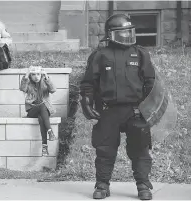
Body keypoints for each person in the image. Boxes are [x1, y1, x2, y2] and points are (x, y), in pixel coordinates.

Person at [80, 14, 155, 200]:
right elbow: (88, 83)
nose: (128, 35)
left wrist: (150, 108)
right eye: (123, 32)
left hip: (135, 111)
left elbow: (150, 82)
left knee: (140, 149)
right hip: (109, 110)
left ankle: (143, 185)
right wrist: (86, 100)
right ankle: (102, 185)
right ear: (111, 34)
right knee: (105, 149)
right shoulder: (99, 55)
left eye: (130, 31)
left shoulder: (140, 53)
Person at [20, 66, 57, 156]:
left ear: (41, 75)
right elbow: (23, 89)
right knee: (42, 106)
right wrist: (27, 75)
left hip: (44, 110)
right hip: (33, 110)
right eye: (33, 75)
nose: (36, 76)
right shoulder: (28, 82)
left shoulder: (45, 82)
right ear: (30, 76)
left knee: (41, 119)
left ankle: (44, 147)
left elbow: (53, 90)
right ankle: (50, 131)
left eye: (38, 74)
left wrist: (47, 77)